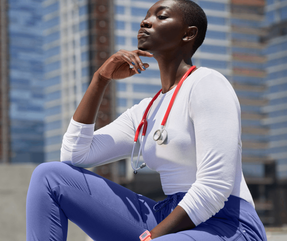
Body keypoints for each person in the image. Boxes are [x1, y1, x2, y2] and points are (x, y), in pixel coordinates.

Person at [26, 0, 267, 240]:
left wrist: (152, 236)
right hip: (166, 216)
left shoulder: (207, 83)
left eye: (160, 16)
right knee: (50, 176)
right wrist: (100, 79)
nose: (145, 21)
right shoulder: (146, 110)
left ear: (188, 33)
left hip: (227, 222)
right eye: (146, 16)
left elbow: (215, 187)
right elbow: (75, 156)